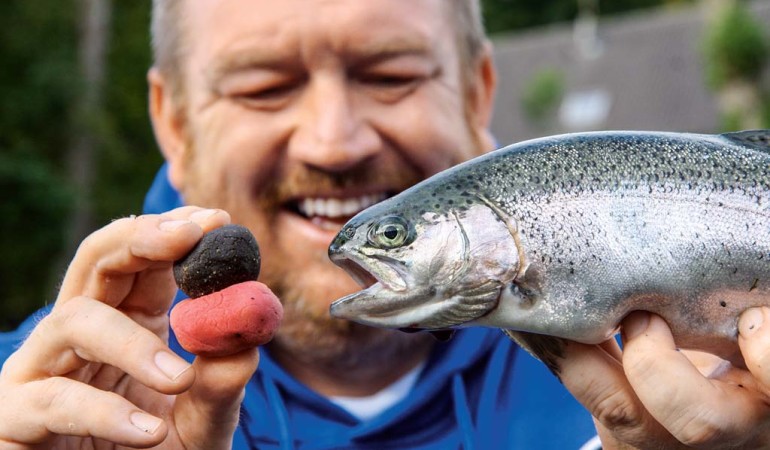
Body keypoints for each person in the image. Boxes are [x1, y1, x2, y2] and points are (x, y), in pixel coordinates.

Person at [2, 0, 770, 448]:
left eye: (392, 74)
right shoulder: (24, 399)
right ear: (170, 120)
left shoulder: (725, 384)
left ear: (478, 92)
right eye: (265, 86)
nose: (335, 141)